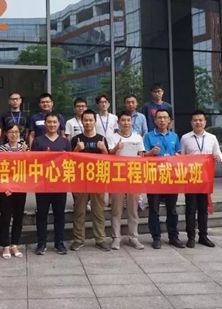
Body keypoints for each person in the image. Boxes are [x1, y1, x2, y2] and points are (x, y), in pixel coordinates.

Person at [181, 110, 222, 248]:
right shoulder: (185, 138)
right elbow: (182, 157)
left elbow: (219, 155)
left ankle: (203, 236)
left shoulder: (212, 138)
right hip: (191, 179)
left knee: (203, 208)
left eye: (200, 120)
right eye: (195, 120)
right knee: (190, 208)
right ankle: (191, 236)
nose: (198, 122)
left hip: (205, 179)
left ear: (205, 122)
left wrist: (218, 157)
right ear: (191, 122)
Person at [143, 109, 185, 249]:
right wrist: (151, 153)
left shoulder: (174, 136)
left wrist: (178, 157)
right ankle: (156, 237)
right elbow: (143, 156)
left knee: (172, 209)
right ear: (155, 120)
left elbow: (178, 153)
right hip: (154, 178)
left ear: (169, 121)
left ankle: (173, 237)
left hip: (171, 178)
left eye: (165, 118)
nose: (162, 120)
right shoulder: (149, 136)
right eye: (159, 118)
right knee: (154, 210)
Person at [70, 109, 110, 252]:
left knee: (98, 211)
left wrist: (104, 149)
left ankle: (100, 239)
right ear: (82, 121)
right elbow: (70, 160)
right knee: (79, 211)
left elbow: (108, 160)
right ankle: (78, 239)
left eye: (90, 120)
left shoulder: (102, 139)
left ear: (95, 121)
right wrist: (77, 149)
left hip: (97, 179)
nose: (88, 123)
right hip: (80, 180)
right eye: (85, 120)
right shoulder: (76, 139)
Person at [32, 112, 71, 255]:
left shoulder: (65, 142)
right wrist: (44, 158)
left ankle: (59, 242)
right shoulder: (38, 141)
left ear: (59, 124)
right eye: (49, 122)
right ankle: (41, 243)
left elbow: (70, 162)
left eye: (55, 122)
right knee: (41, 214)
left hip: (60, 184)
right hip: (43, 184)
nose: (52, 125)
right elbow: (32, 162)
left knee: (59, 214)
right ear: (45, 124)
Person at [107, 111, 146, 250]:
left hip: (133, 176)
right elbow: (108, 155)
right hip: (117, 176)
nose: (126, 123)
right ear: (118, 122)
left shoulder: (137, 137)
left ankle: (133, 237)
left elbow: (141, 155)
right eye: (123, 120)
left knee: (133, 210)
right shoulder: (112, 137)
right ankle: (116, 238)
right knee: (116, 210)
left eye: (128, 120)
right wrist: (116, 148)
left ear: (132, 122)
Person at [0, 123, 29, 259]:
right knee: (5, 217)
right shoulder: (1, 149)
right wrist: (5, 186)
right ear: (6, 134)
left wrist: (26, 154)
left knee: (18, 216)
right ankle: (5, 245)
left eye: (16, 132)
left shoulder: (24, 148)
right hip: (6, 189)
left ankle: (14, 244)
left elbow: (29, 167)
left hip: (21, 187)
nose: (14, 134)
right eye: (11, 132)